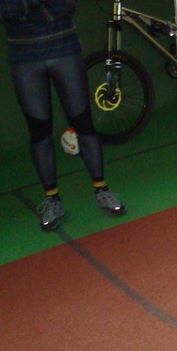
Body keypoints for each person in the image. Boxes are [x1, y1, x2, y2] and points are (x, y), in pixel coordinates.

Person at [1, 0, 126, 232]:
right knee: (39, 130)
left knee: (83, 122)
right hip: (24, 58)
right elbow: (9, 11)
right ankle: (52, 199)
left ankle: (102, 189)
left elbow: (67, 5)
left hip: (64, 49)